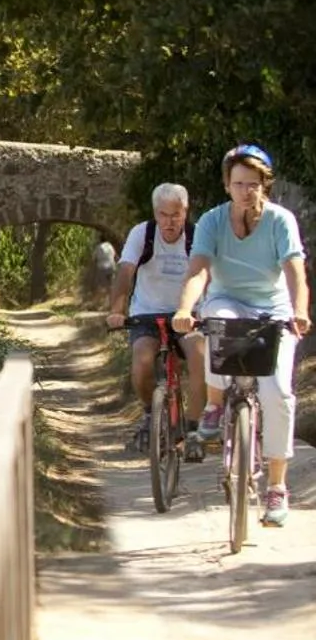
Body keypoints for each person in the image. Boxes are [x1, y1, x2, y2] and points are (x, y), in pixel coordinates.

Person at [172, 144, 312, 527]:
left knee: (277, 393)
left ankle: (277, 488)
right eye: (238, 183)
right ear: (226, 184)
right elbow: (198, 270)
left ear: (265, 185)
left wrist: (300, 311)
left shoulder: (281, 221)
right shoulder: (212, 222)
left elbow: (295, 272)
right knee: (214, 320)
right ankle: (215, 405)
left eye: (253, 184)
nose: (245, 191)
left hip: (274, 311)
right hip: (227, 300)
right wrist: (185, 309)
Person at [104, 184, 206, 454]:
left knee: (199, 357)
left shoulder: (197, 236)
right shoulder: (143, 233)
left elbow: (204, 274)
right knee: (141, 364)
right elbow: (126, 270)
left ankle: (194, 430)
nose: (169, 222)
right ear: (154, 213)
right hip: (147, 311)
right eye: (163, 215)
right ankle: (151, 415)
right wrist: (117, 310)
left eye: (176, 215)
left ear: (186, 212)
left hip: (187, 313)